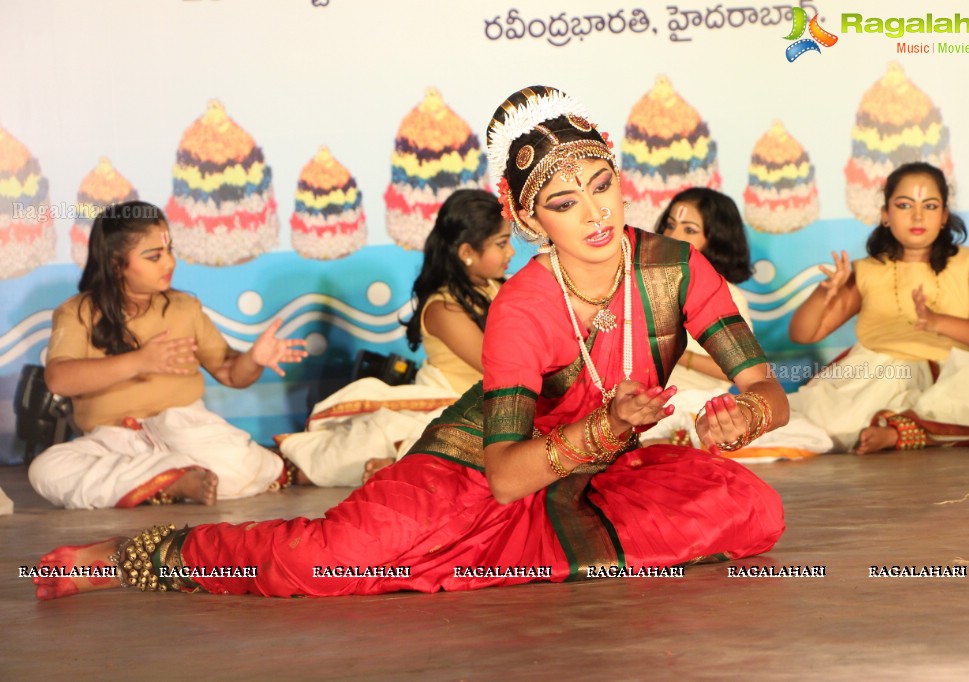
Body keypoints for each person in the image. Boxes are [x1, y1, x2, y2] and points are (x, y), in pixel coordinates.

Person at [33, 86, 786, 601]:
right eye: (563, 201)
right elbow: (505, 477)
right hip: (482, 465)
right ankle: (145, 558)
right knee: (325, 564)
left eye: (601, 185)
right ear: (528, 221)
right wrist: (606, 425)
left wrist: (743, 417)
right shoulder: (525, 306)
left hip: (600, 470)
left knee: (752, 509)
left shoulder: (674, 269)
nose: (592, 214)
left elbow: (766, 391)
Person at [27, 201, 309, 510]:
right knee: (46, 469)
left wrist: (254, 359)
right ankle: (173, 479)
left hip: (187, 431)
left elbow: (230, 373)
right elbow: (58, 379)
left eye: (169, 250)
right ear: (115, 264)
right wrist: (139, 361)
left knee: (235, 461)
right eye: (154, 256)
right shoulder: (76, 312)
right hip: (113, 441)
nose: (169, 263)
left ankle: (160, 481)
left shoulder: (184, 308)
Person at [279, 189, 515, 486]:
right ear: (467, 252)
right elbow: (500, 366)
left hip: (485, 403)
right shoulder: (444, 307)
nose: (512, 253)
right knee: (448, 444)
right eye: (502, 244)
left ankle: (396, 464)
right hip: (450, 403)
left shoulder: (495, 287)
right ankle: (389, 465)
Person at [788, 161, 969, 453]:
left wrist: (937, 322)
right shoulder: (866, 270)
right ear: (886, 215)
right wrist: (823, 293)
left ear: (944, 216)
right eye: (904, 205)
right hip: (874, 374)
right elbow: (803, 334)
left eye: (931, 206)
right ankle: (900, 429)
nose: (918, 215)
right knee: (824, 426)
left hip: (948, 373)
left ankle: (899, 433)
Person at [641, 189, 832, 457]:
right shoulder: (642, 285)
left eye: (689, 229)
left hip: (697, 400)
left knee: (805, 433)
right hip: (644, 400)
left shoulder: (725, 296)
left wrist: (677, 354)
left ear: (716, 240)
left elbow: (740, 371)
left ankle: (679, 445)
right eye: (670, 225)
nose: (673, 236)